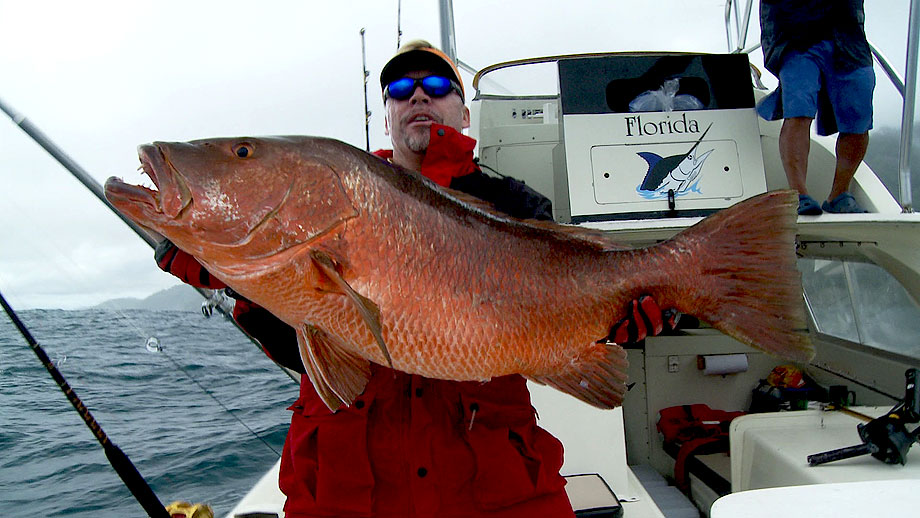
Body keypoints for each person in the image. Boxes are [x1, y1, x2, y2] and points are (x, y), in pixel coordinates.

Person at [154, 40, 674, 518]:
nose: (419, 95)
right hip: (345, 489)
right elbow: (305, 352)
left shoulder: (515, 205)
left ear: (463, 112)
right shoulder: (335, 200)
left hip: (494, 485)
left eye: (438, 86)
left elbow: (561, 307)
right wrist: (237, 283)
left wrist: (611, 322)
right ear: (388, 115)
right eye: (401, 90)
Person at [757, 0, 874, 215]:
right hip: (793, 34)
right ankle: (798, 194)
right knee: (798, 111)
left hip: (848, 33)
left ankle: (839, 195)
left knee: (858, 117)